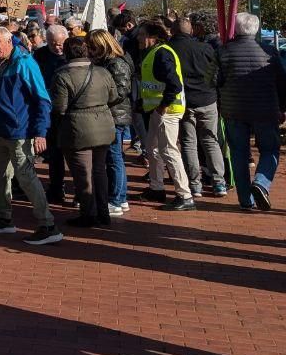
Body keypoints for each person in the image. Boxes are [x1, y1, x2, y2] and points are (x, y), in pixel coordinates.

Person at [0, 26, 63, 246]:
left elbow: (42, 99)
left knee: (26, 177)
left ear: (9, 42)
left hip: (21, 133)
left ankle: (47, 224)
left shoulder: (24, 63)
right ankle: (4, 217)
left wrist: (40, 132)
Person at [49, 36, 120, 228]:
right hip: (103, 125)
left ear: (66, 52)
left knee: (83, 173)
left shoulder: (62, 75)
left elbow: (59, 107)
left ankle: (89, 213)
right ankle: (103, 212)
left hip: (77, 128)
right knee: (99, 171)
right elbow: (114, 97)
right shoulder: (102, 72)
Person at [218, 12, 285, 211]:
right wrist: (282, 108)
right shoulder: (270, 52)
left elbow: (214, 80)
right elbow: (281, 83)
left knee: (239, 153)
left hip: (234, 110)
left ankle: (246, 199)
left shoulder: (223, 52)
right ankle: (261, 182)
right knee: (270, 149)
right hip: (265, 109)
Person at [137, 20, 193, 210]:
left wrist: (162, 106)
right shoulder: (154, 53)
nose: (138, 37)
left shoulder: (162, 54)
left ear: (152, 37)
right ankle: (156, 187)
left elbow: (174, 84)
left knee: (169, 151)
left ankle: (185, 195)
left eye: (142, 34)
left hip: (167, 111)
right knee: (152, 149)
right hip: (157, 110)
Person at [170, 16, 226, 197]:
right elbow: (217, 71)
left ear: (173, 31)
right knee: (211, 141)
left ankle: (195, 184)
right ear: (191, 31)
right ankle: (219, 182)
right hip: (207, 99)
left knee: (189, 143)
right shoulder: (205, 48)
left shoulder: (170, 50)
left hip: (186, 101)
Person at [87, 28, 135, 216]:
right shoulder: (108, 62)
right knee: (113, 157)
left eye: (93, 46)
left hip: (115, 115)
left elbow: (121, 91)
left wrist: (100, 99)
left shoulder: (116, 63)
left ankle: (117, 198)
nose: (91, 50)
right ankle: (119, 197)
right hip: (112, 114)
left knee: (114, 157)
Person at [33, 25, 68, 204]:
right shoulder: (40, 56)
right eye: (53, 44)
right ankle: (56, 188)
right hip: (49, 108)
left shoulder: (72, 53)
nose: (57, 48)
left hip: (68, 111)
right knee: (54, 154)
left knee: (73, 154)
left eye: (60, 44)